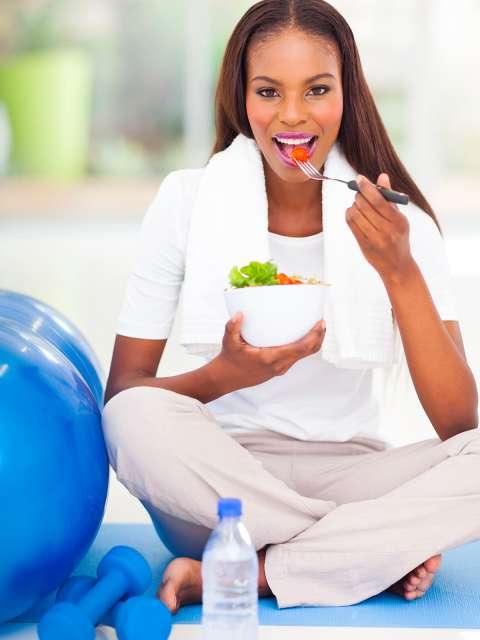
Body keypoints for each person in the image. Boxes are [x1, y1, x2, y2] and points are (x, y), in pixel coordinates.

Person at [102, 0, 479, 613]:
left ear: (346, 94)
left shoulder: (399, 225)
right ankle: (358, 553)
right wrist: (228, 375)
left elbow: (460, 424)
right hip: (218, 486)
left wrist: (398, 271)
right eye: (270, 91)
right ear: (242, 97)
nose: (294, 115)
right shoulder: (185, 204)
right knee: (128, 419)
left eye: (317, 89)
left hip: (355, 475)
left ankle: (254, 573)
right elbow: (128, 392)